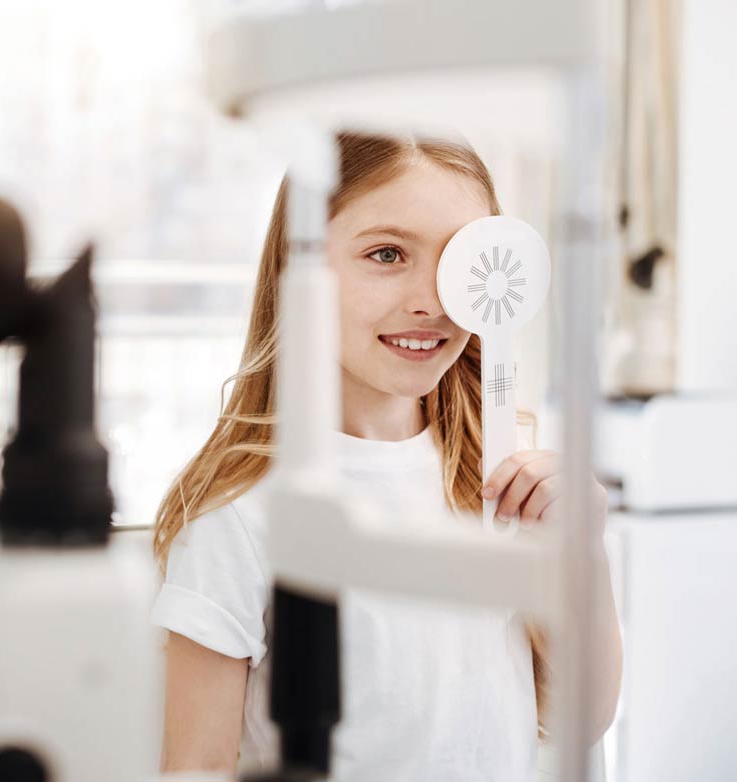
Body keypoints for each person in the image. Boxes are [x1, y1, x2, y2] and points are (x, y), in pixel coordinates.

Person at [151, 132, 623, 780]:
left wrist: (583, 558)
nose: (431, 300)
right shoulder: (241, 516)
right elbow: (194, 767)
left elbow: (581, 717)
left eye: (461, 260)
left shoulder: (499, 480)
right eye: (387, 253)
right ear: (301, 270)